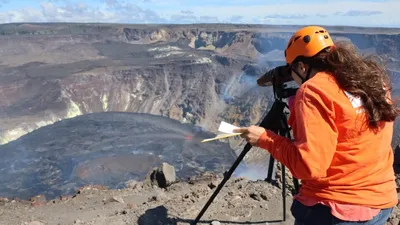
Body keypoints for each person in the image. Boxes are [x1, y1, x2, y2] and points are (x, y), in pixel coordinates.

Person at [233, 25, 399, 225]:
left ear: (302, 67)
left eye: (292, 70)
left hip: (339, 209)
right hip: (381, 201)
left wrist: (265, 139)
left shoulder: (314, 91)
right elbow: (347, 121)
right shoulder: (369, 80)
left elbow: (308, 168)